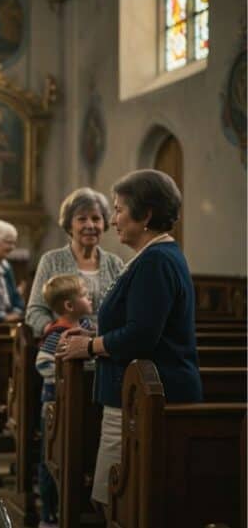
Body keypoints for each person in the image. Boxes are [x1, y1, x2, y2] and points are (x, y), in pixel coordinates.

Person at [58, 169, 203, 511]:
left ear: (146, 214)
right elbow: (144, 323)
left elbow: (142, 334)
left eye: (119, 209)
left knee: (117, 502)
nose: (113, 220)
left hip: (141, 400)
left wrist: (90, 346)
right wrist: (96, 335)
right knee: (115, 500)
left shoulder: (155, 261)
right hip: (135, 395)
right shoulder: (156, 257)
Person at [34, 274, 93, 528]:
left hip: (77, 400)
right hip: (55, 404)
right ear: (69, 305)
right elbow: (43, 363)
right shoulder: (58, 333)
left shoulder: (84, 326)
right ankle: (48, 516)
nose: (90, 298)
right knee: (51, 458)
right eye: (85, 295)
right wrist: (64, 378)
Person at [25, 187, 124, 337]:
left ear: (104, 224)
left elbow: (124, 310)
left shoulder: (115, 263)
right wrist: (56, 331)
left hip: (105, 347)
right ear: (69, 225)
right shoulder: (51, 260)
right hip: (62, 348)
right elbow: (35, 311)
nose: (90, 225)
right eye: (82, 219)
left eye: (96, 219)